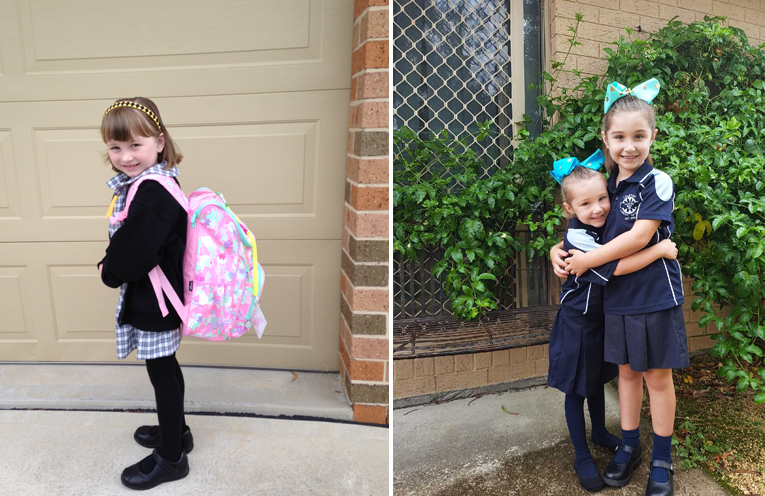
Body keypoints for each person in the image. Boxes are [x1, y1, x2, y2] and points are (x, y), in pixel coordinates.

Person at [551, 79, 688, 496]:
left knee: (657, 378)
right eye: (620, 137)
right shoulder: (604, 186)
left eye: (639, 136)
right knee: (626, 376)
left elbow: (637, 239)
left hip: (654, 298)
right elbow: (581, 226)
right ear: (606, 140)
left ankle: (661, 458)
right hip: (616, 301)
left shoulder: (657, 182)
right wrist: (558, 251)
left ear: (653, 137)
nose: (629, 146)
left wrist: (588, 261)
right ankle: (629, 446)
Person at [97, 97, 192, 490]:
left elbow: (135, 252)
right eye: (115, 147)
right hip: (162, 296)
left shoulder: (153, 191)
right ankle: (179, 433)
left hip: (156, 300)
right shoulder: (158, 181)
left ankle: (171, 459)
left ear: (159, 141)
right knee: (166, 367)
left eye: (135, 145)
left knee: (161, 374)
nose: (125, 156)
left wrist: (109, 269)